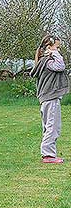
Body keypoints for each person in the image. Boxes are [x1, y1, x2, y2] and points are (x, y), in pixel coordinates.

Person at [30, 35, 69, 164]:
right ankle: (48, 155)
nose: (58, 50)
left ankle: (49, 154)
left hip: (47, 98)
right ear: (49, 47)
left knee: (49, 126)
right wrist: (54, 53)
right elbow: (61, 66)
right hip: (50, 97)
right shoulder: (48, 62)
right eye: (57, 47)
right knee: (53, 126)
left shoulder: (43, 61)